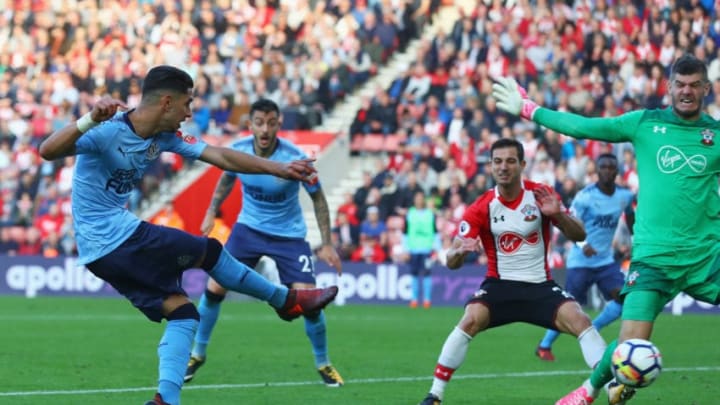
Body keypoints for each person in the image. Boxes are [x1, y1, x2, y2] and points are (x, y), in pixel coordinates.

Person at [38, 65, 339, 405]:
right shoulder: (106, 131)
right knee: (208, 251)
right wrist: (90, 118)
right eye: (187, 103)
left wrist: (281, 168)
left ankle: (165, 399)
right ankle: (284, 301)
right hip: (113, 237)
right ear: (167, 102)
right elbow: (47, 150)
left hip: (102, 254)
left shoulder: (164, 137)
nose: (189, 112)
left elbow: (221, 155)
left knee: (183, 313)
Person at [492, 53, 720, 405]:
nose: (686, 92)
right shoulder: (644, 123)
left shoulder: (716, 135)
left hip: (707, 255)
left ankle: (611, 385)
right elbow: (585, 126)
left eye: (694, 85)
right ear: (668, 87)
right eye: (680, 85)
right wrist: (530, 110)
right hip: (655, 259)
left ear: (707, 88)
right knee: (629, 346)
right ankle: (589, 391)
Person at [418, 138, 607, 405]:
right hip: (500, 285)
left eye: (510, 161)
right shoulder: (481, 207)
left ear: (522, 164)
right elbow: (451, 261)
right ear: (491, 167)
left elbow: (579, 233)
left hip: (540, 285)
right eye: (497, 161)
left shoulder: (541, 194)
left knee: (581, 321)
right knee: (470, 318)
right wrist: (458, 253)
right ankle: (435, 394)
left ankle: (612, 388)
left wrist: (558, 215)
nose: (503, 167)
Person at [184, 99, 345, 387]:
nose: (265, 129)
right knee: (214, 287)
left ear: (279, 125)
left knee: (310, 304)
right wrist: (211, 211)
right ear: (251, 125)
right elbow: (226, 180)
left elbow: (318, 198)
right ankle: (197, 353)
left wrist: (328, 243)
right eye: (259, 122)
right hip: (248, 230)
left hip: (290, 236)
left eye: (271, 123)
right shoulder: (240, 150)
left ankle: (323, 362)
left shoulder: (295, 158)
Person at [536, 153, 636, 361]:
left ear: (616, 171)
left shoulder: (624, 196)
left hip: (605, 261)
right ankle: (544, 345)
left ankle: (594, 328)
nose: (607, 170)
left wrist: (635, 242)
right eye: (603, 167)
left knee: (623, 297)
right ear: (597, 171)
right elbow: (566, 224)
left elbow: (631, 218)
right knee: (568, 307)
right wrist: (582, 244)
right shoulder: (585, 196)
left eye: (611, 167)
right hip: (580, 261)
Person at [406, 190, 437, 309]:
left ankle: (427, 299)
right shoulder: (410, 213)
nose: (419, 200)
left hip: (427, 248)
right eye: (417, 197)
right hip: (413, 248)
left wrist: (436, 248)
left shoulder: (430, 214)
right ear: (414, 200)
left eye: (421, 197)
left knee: (427, 274)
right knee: (414, 273)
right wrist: (405, 249)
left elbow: (435, 232)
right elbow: (405, 232)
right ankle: (414, 299)